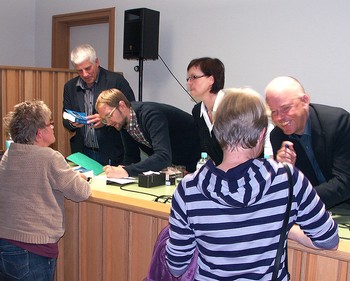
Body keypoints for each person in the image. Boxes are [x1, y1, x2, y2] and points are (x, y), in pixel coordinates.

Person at [165, 88, 339, 280]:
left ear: (216, 130)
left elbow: (176, 267)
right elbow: (329, 240)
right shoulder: (288, 179)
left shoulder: (188, 188)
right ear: (261, 134)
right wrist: (291, 230)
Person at [0, 100, 91, 281]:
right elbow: (81, 192)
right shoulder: (49, 157)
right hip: (33, 250)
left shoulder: (9, 153)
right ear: (39, 132)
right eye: (50, 123)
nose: (53, 127)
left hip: (5, 243)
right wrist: (81, 178)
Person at [265, 76, 350, 209]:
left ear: (305, 101)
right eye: (274, 111)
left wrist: (301, 199)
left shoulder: (338, 122)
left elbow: (345, 183)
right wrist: (286, 171)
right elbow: (289, 189)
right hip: (313, 213)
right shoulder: (277, 136)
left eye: (286, 108)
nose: (279, 118)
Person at [95, 88, 201, 178]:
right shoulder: (123, 123)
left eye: (109, 116)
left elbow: (163, 157)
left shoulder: (151, 115)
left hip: (198, 160)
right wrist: (123, 170)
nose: (108, 123)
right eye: (104, 120)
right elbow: (131, 156)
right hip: (178, 165)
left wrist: (127, 171)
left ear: (122, 106)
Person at [63, 44, 135, 166]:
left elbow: (131, 115)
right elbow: (65, 119)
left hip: (112, 151)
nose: (85, 74)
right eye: (80, 70)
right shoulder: (70, 87)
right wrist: (72, 122)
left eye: (88, 68)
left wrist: (105, 120)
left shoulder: (116, 81)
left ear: (96, 62)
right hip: (83, 152)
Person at [187, 57, 225, 165]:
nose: (189, 83)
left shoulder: (232, 107)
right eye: (188, 78)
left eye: (194, 77)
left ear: (211, 80)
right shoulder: (197, 111)